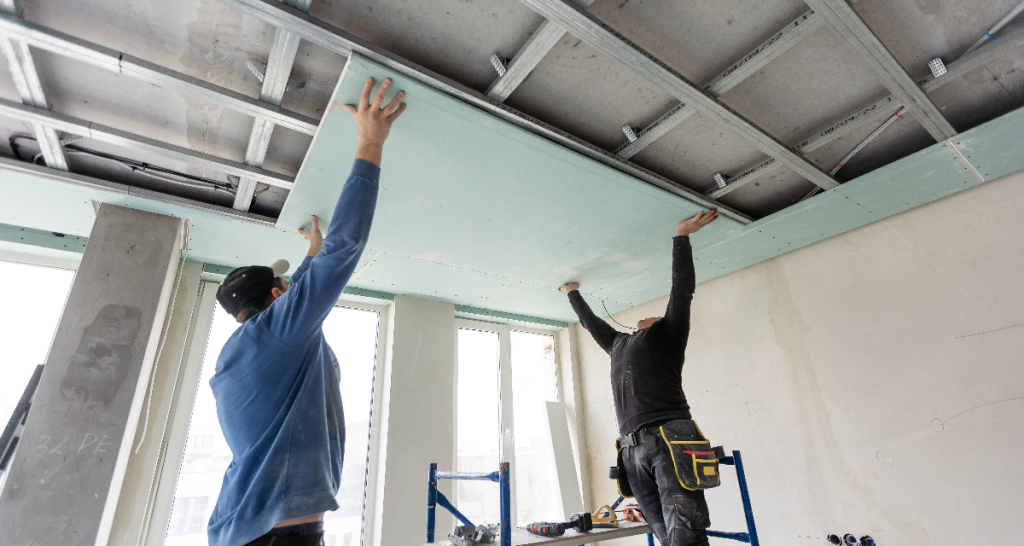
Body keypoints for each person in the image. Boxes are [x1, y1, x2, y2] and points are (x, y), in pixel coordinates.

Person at [207, 77, 407, 546]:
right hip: (276, 538)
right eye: (286, 286)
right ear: (277, 298)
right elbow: (344, 250)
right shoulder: (277, 335)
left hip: (254, 530)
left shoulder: (245, 350)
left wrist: (309, 259)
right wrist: (369, 143)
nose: (292, 289)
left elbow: (300, 291)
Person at [558, 210, 719, 546]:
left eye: (655, 314)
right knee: (662, 532)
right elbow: (592, 325)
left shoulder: (669, 333)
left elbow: (682, 289)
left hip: (668, 436)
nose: (650, 314)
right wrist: (573, 294)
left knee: (685, 532)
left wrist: (681, 236)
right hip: (631, 447)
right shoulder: (618, 343)